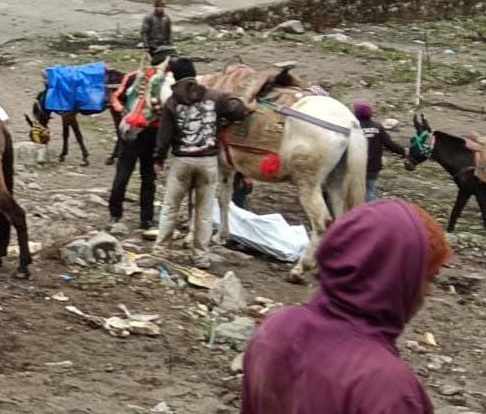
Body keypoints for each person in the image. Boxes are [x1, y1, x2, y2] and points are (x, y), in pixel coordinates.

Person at [242, 199, 451, 414]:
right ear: (396, 277)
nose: (429, 291)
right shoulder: (386, 388)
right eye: (428, 278)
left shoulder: (277, 326)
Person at [152, 58, 245, 269]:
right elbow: (237, 109)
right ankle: (200, 256)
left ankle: (160, 250)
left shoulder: (172, 102)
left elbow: (164, 137)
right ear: (195, 73)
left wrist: (158, 160)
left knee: (170, 207)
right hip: (208, 161)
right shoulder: (213, 97)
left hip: (182, 160)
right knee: (204, 212)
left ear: (175, 77)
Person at [108, 53, 171, 232]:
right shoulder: (165, 82)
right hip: (152, 134)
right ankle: (147, 219)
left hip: (130, 133)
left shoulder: (133, 77)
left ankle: (115, 214)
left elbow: (117, 99)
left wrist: (127, 115)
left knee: (123, 174)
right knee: (148, 178)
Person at [355, 101, 407, 202]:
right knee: (371, 191)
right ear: (370, 113)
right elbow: (390, 144)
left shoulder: (353, 128)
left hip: (356, 167)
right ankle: (371, 212)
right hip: (373, 167)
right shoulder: (378, 127)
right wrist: (404, 151)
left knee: (355, 191)